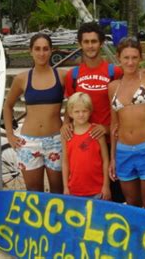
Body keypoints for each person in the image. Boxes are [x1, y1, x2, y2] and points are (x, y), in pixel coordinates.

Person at [60, 22, 125, 202]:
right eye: (86, 42)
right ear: (80, 44)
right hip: (83, 143)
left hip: (109, 143)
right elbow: (71, 106)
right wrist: (65, 125)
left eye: (94, 41)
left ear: (102, 43)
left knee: (113, 197)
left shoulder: (115, 72)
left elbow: (123, 107)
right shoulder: (72, 75)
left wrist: (106, 128)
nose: (90, 46)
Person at [3, 33, 65, 193]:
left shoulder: (62, 76)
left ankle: (54, 219)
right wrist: (10, 134)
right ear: (31, 51)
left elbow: (78, 102)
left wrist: (70, 124)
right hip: (29, 143)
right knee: (33, 193)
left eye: (45, 49)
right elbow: (8, 105)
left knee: (57, 191)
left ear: (51, 51)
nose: (41, 53)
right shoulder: (22, 78)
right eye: (37, 49)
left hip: (57, 141)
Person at [108, 37, 145, 208]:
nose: (130, 62)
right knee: (131, 203)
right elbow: (114, 124)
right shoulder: (113, 86)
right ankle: (136, 234)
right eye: (126, 58)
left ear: (141, 58)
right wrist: (113, 158)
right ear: (118, 58)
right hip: (123, 151)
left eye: (134, 57)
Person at [62, 92, 111, 199]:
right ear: (70, 113)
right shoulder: (67, 134)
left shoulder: (96, 132)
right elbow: (65, 162)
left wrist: (106, 186)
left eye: (84, 111)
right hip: (74, 190)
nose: (81, 114)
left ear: (90, 111)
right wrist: (65, 186)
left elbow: (106, 160)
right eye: (77, 111)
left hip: (97, 190)